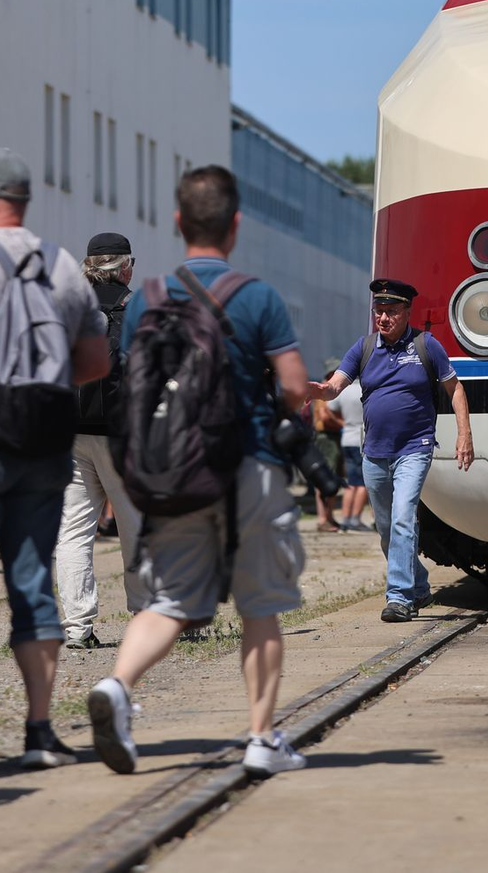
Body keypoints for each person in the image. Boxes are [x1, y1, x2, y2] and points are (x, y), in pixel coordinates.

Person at [88, 165, 310, 777]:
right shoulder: (258, 296)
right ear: (235, 225)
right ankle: (262, 739)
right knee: (260, 606)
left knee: (169, 601)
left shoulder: (148, 301)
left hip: (176, 474)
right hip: (250, 471)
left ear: (179, 222)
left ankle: (116, 686)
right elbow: (294, 386)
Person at [0, 149, 109, 768]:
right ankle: (40, 731)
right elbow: (96, 364)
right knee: (31, 580)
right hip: (41, 440)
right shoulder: (60, 265)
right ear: (25, 199)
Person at [307, 278, 474, 622]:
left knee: (402, 519)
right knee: (387, 530)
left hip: (416, 447)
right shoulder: (364, 348)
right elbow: (335, 386)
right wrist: (319, 391)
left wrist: (464, 434)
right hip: (374, 453)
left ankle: (399, 597)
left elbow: (455, 389)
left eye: (390, 311)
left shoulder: (426, 345)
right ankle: (420, 584)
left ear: (406, 312)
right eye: (378, 311)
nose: (382, 318)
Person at [56, 232, 145, 649]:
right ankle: (145, 618)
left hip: (70, 434)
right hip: (122, 436)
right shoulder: (139, 308)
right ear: (125, 266)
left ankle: (77, 627)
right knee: (135, 526)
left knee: (73, 531)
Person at [329, 370, 371, 532]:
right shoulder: (365, 388)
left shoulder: (344, 390)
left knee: (351, 482)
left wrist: (341, 422)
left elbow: (329, 408)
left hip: (346, 437)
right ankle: (355, 519)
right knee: (362, 483)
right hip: (362, 436)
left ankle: (345, 519)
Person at [311, 359, 344, 534]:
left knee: (332, 479)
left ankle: (328, 516)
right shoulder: (326, 389)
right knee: (325, 478)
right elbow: (324, 417)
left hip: (331, 437)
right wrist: (342, 423)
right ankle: (323, 518)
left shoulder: (326, 389)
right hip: (327, 438)